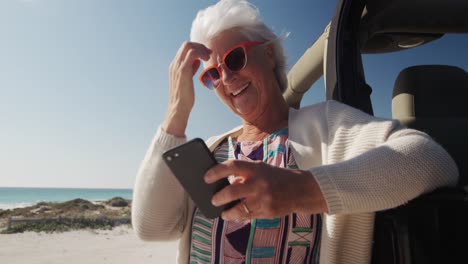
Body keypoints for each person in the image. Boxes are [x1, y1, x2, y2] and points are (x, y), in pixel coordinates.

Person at [131, 0, 458, 263]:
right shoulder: (215, 151)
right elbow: (150, 227)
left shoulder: (327, 126)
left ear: (269, 53)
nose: (227, 78)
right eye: (212, 75)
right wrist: (177, 111)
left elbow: (431, 161)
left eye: (234, 59)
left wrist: (304, 190)